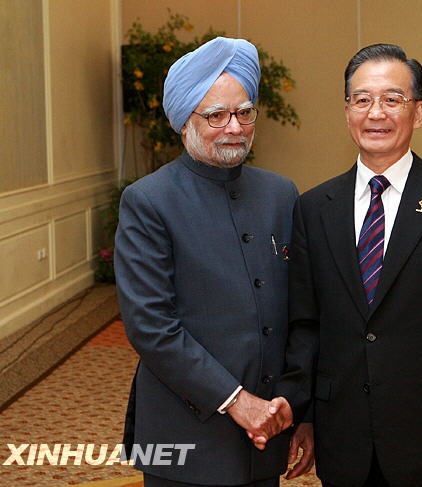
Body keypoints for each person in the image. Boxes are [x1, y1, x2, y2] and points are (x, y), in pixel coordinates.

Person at [277, 43, 422, 487]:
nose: (376, 113)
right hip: (343, 433)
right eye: (362, 99)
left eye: (392, 99)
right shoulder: (314, 207)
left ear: (418, 112)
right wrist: (304, 415)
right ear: (347, 111)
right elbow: (306, 325)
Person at [115, 37, 313, 487]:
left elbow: (303, 312)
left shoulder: (281, 194)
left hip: (269, 428)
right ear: (185, 120)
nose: (235, 127)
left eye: (245, 112)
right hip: (185, 436)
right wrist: (237, 401)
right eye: (216, 115)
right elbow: (150, 326)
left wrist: (298, 405)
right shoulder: (148, 201)